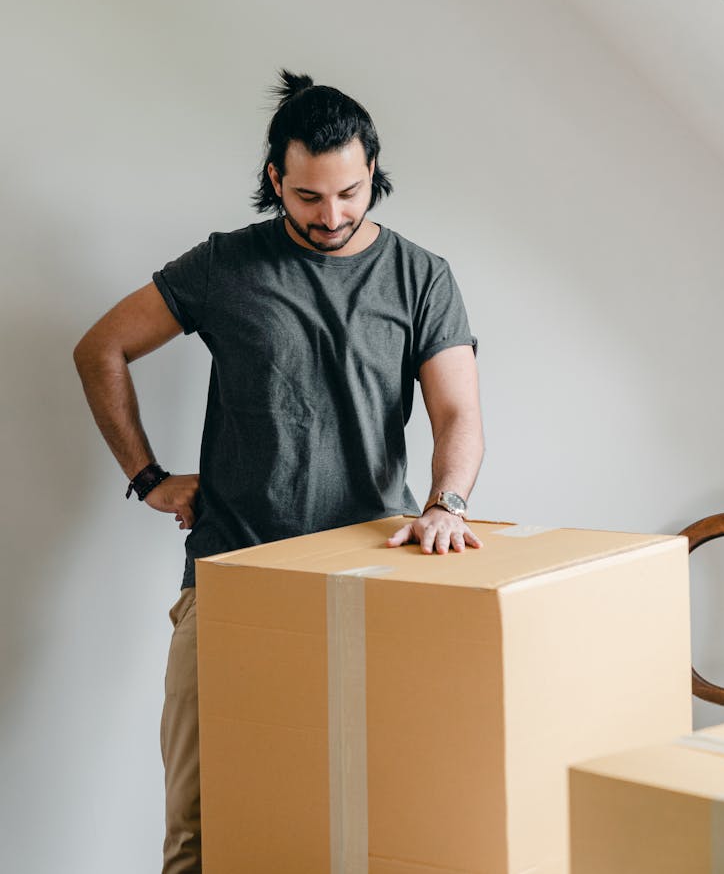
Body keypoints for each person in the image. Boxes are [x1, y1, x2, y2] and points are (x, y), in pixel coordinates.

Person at [73, 70, 484, 874]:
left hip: (369, 576)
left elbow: (457, 412)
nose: (331, 216)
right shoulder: (225, 265)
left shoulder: (421, 276)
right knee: (199, 821)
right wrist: (148, 475)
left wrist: (448, 503)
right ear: (275, 181)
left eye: (350, 192)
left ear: (374, 171)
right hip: (230, 572)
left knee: (369, 811)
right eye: (307, 197)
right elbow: (101, 348)